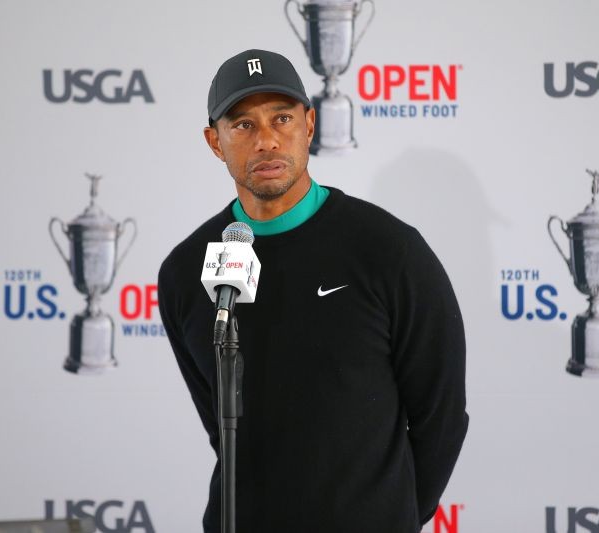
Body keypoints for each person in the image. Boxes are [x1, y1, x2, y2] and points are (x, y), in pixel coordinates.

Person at [158, 49, 468, 533]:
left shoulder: (389, 250)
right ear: (214, 142)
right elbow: (220, 426)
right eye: (243, 125)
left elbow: (441, 415)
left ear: (309, 124)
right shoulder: (185, 270)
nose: (266, 141)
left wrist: (393, 515)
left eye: (281, 118)